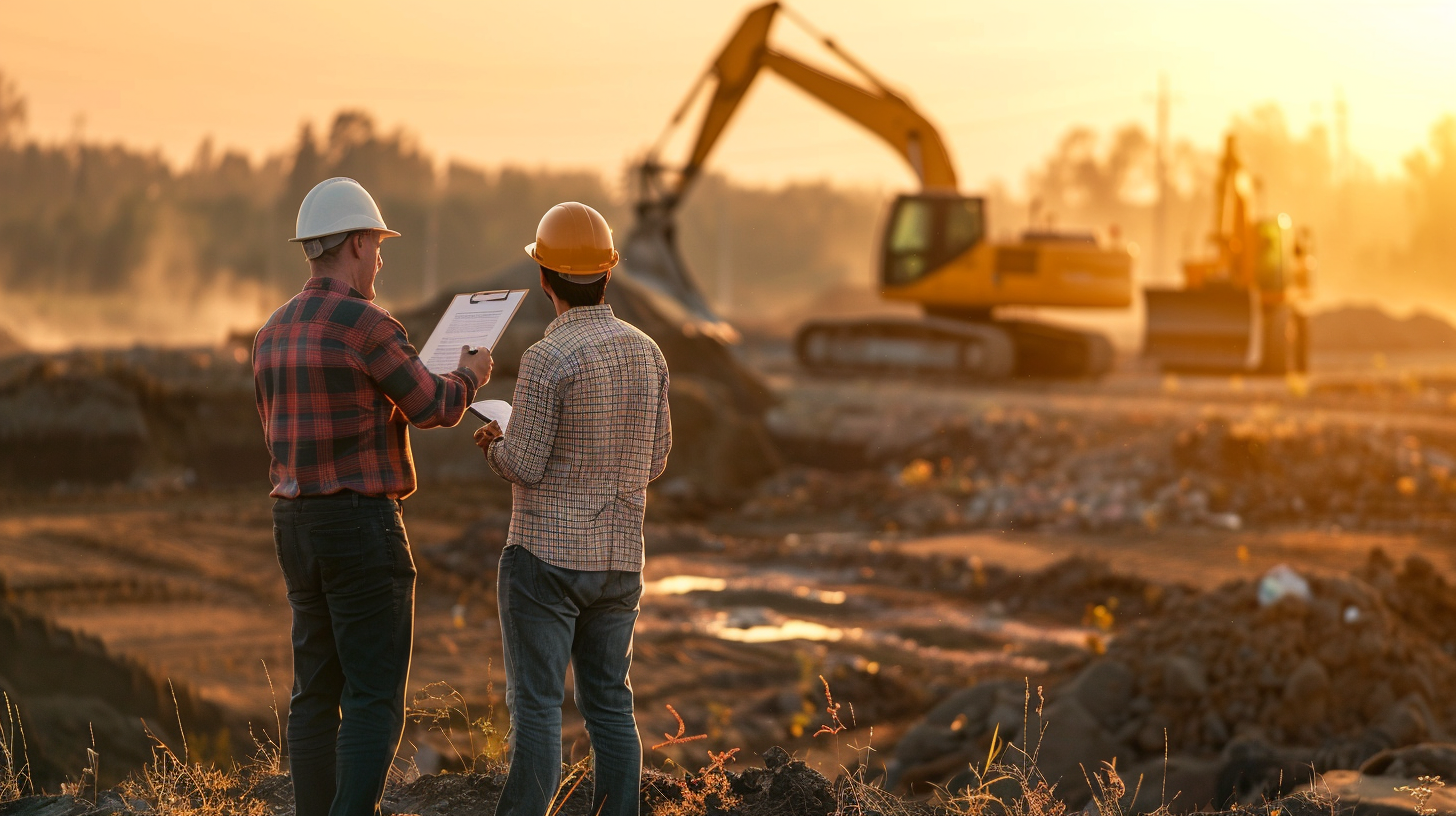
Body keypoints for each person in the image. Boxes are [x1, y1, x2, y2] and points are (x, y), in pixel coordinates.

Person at [254, 177, 493, 816]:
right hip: (360, 524)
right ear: (357, 242)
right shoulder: (367, 325)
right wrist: (471, 373)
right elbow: (433, 406)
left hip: (293, 522)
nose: (382, 258)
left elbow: (276, 427)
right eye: (379, 245)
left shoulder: (272, 331)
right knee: (373, 697)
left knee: (315, 690)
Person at [474, 201, 671, 816]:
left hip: (546, 562)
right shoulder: (650, 353)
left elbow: (526, 465)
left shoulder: (545, 358)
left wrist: (494, 444)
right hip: (619, 563)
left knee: (536, 709)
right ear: (609, 272)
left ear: (545, 279)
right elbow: (657, 458)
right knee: (611, 706)